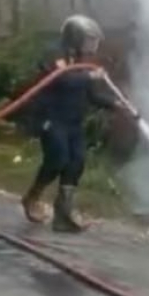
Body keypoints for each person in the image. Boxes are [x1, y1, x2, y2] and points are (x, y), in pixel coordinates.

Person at [20, 15, 120, 233]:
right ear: (75, 36)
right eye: (89, 39)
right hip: (51, 118)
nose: (92, 45)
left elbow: (92, 95)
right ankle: (32, 197)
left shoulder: (81, 61)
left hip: (73, 122)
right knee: (58, 158)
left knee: (77, 162)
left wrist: (116, 104)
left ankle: (63, 214)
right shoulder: (54, 52)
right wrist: (91, 76)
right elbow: (61, 78)